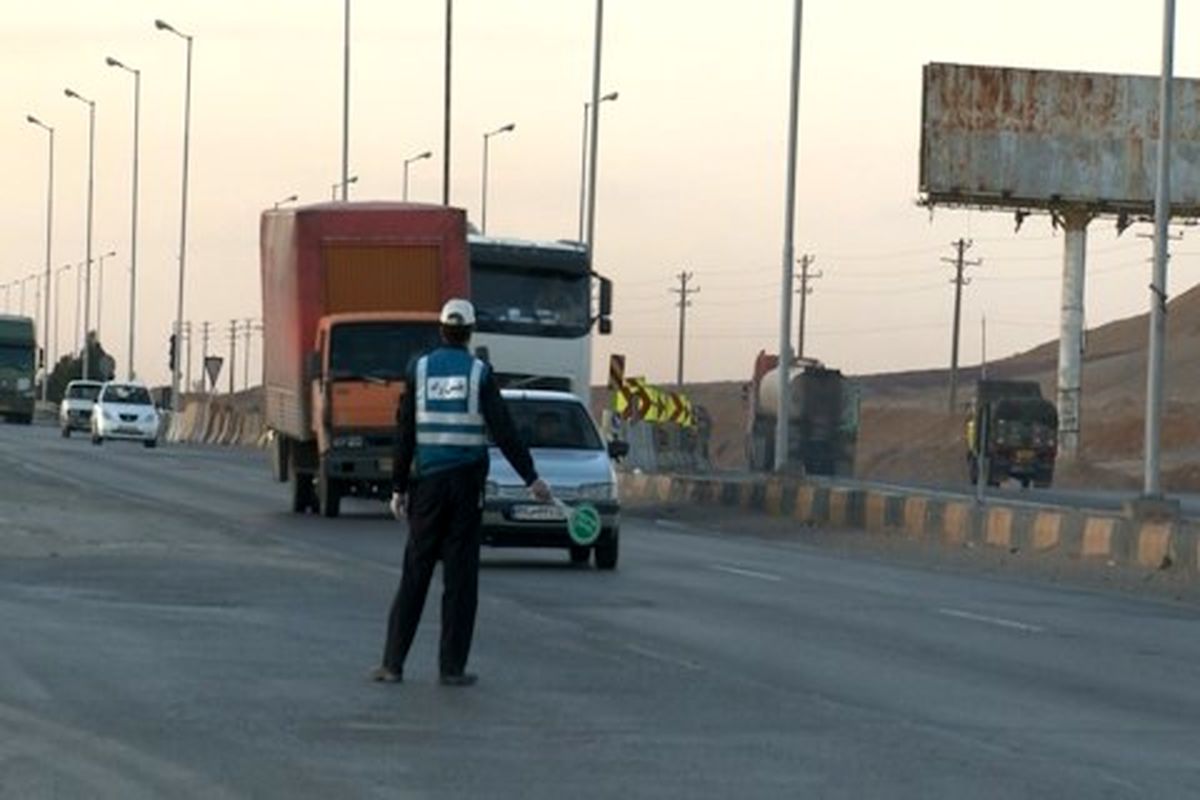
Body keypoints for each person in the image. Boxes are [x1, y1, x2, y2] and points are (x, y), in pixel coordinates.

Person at [372, 298, 552, 687]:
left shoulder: (417, 370)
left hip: (428, 488)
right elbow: (504, 430)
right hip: (466, 488)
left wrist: (398, 487)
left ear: (440, 330)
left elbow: (404, 433)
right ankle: (451, 668)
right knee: (460, 580)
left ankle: (392, 664)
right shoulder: (479, 373)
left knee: (414, 575)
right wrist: (531, 478)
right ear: (469, 334)